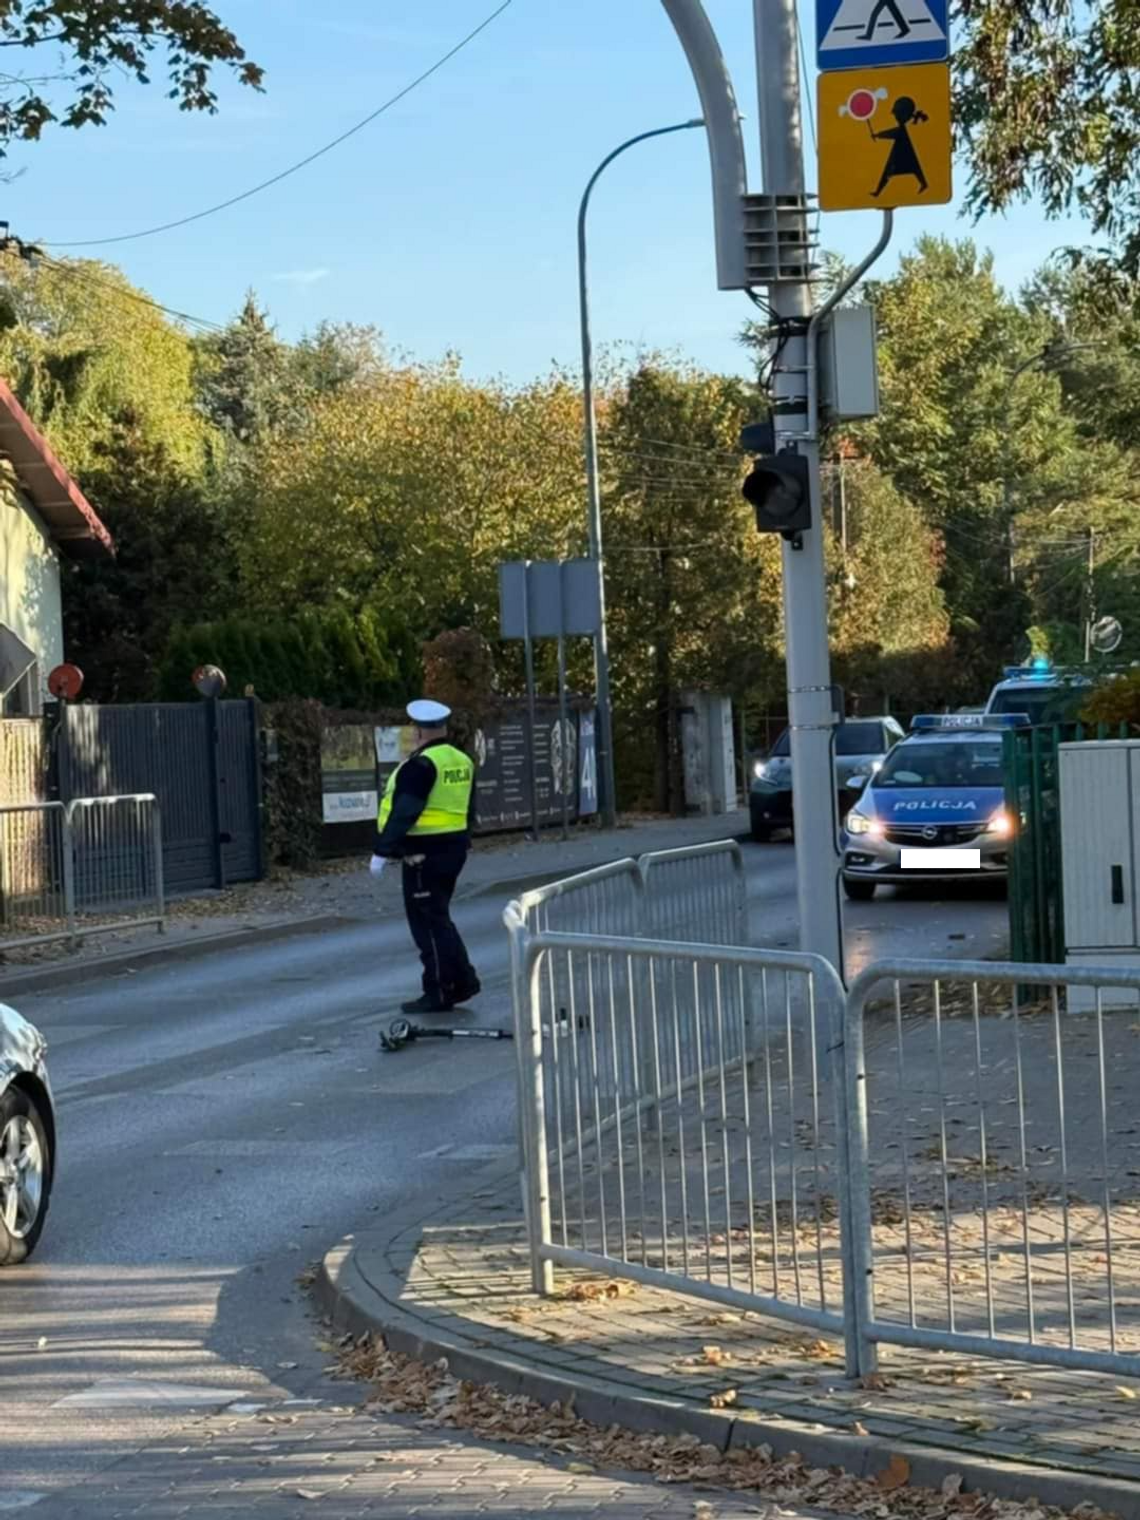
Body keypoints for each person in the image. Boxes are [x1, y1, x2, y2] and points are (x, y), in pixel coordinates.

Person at [371, 699, 481, 1014]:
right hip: (452, 849)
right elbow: (469, 809)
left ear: (419, 731)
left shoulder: (421, 765)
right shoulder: (461, 760)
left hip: (422, 855)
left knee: (428, 925)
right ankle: (462, 981)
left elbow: (406, 809)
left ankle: (439, 990)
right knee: (439, 918)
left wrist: (383, 851)